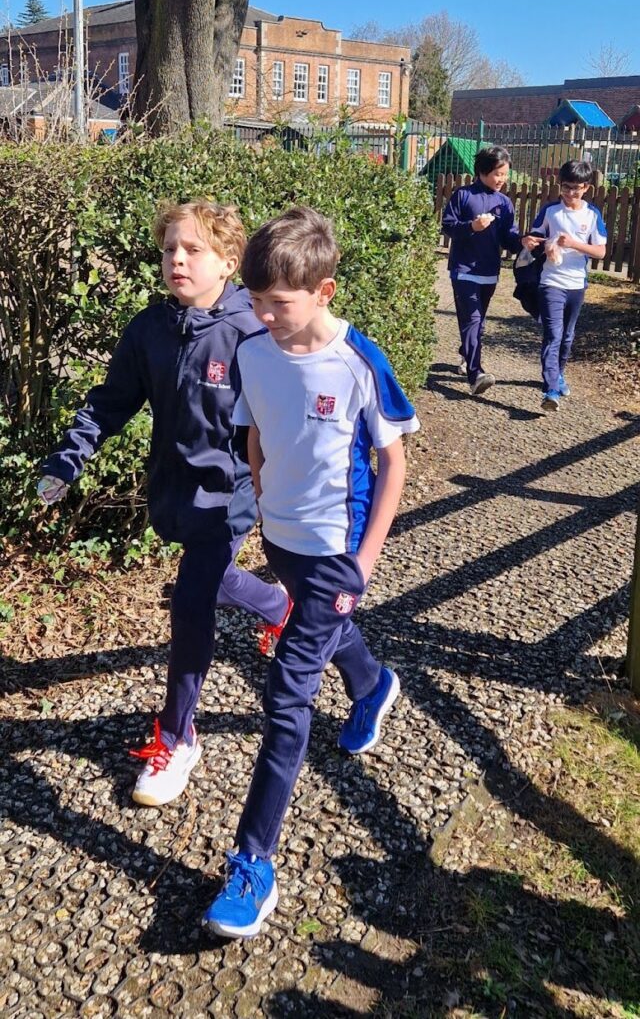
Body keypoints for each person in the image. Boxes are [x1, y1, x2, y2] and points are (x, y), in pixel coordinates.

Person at [201, 205, 420, 940]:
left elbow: (393, 465)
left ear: (324, 292)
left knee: (286, 698)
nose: (262, 315)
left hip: (337, 551)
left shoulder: (360, 361)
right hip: (285, 538)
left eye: (279, 304)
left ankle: (252, 863)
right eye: (256, 300)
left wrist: (364, 561)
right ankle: (373, 681)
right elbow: (259, 428)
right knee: (323, 636)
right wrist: (262, 497)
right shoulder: (255, 351)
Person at [36, 200, 291, 806]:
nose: (177, 259)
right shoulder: (151, 328)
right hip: (173, 492)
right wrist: (68, 460)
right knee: (213, 583)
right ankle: (333, 649)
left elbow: (285, 425)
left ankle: (177, 737)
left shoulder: (252, 334)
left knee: (191, 602)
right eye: (169, 248)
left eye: (193, 249)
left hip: (230, 496)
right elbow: (111, 401)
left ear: (229, 262)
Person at [442, 146, 538, 396]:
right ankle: (476, 374)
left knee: (478, 322)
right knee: (473, 320)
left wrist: (522, 242)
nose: (502, 180)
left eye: (505, 175)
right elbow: (448, 226)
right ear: (483, 171)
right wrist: (472, 226)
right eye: (498, 174)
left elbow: (508, 237)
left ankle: (466, 352)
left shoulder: (504, 203)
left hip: (489, 271)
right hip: (463, 270)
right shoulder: (463, 195)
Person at [530, 161, 607, 412]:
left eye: (576, 188)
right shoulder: (551, 211)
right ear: (559, 185)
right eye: (565, 187)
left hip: (577, 283)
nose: (570, 193)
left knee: (567, 335)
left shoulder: (592, 214)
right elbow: (534, 237)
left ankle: (559, 374)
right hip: (550, 281)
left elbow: (600, 251)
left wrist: (574, 243)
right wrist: (540, 244)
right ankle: (550, 388)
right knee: (553, 334)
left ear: (586, 188)